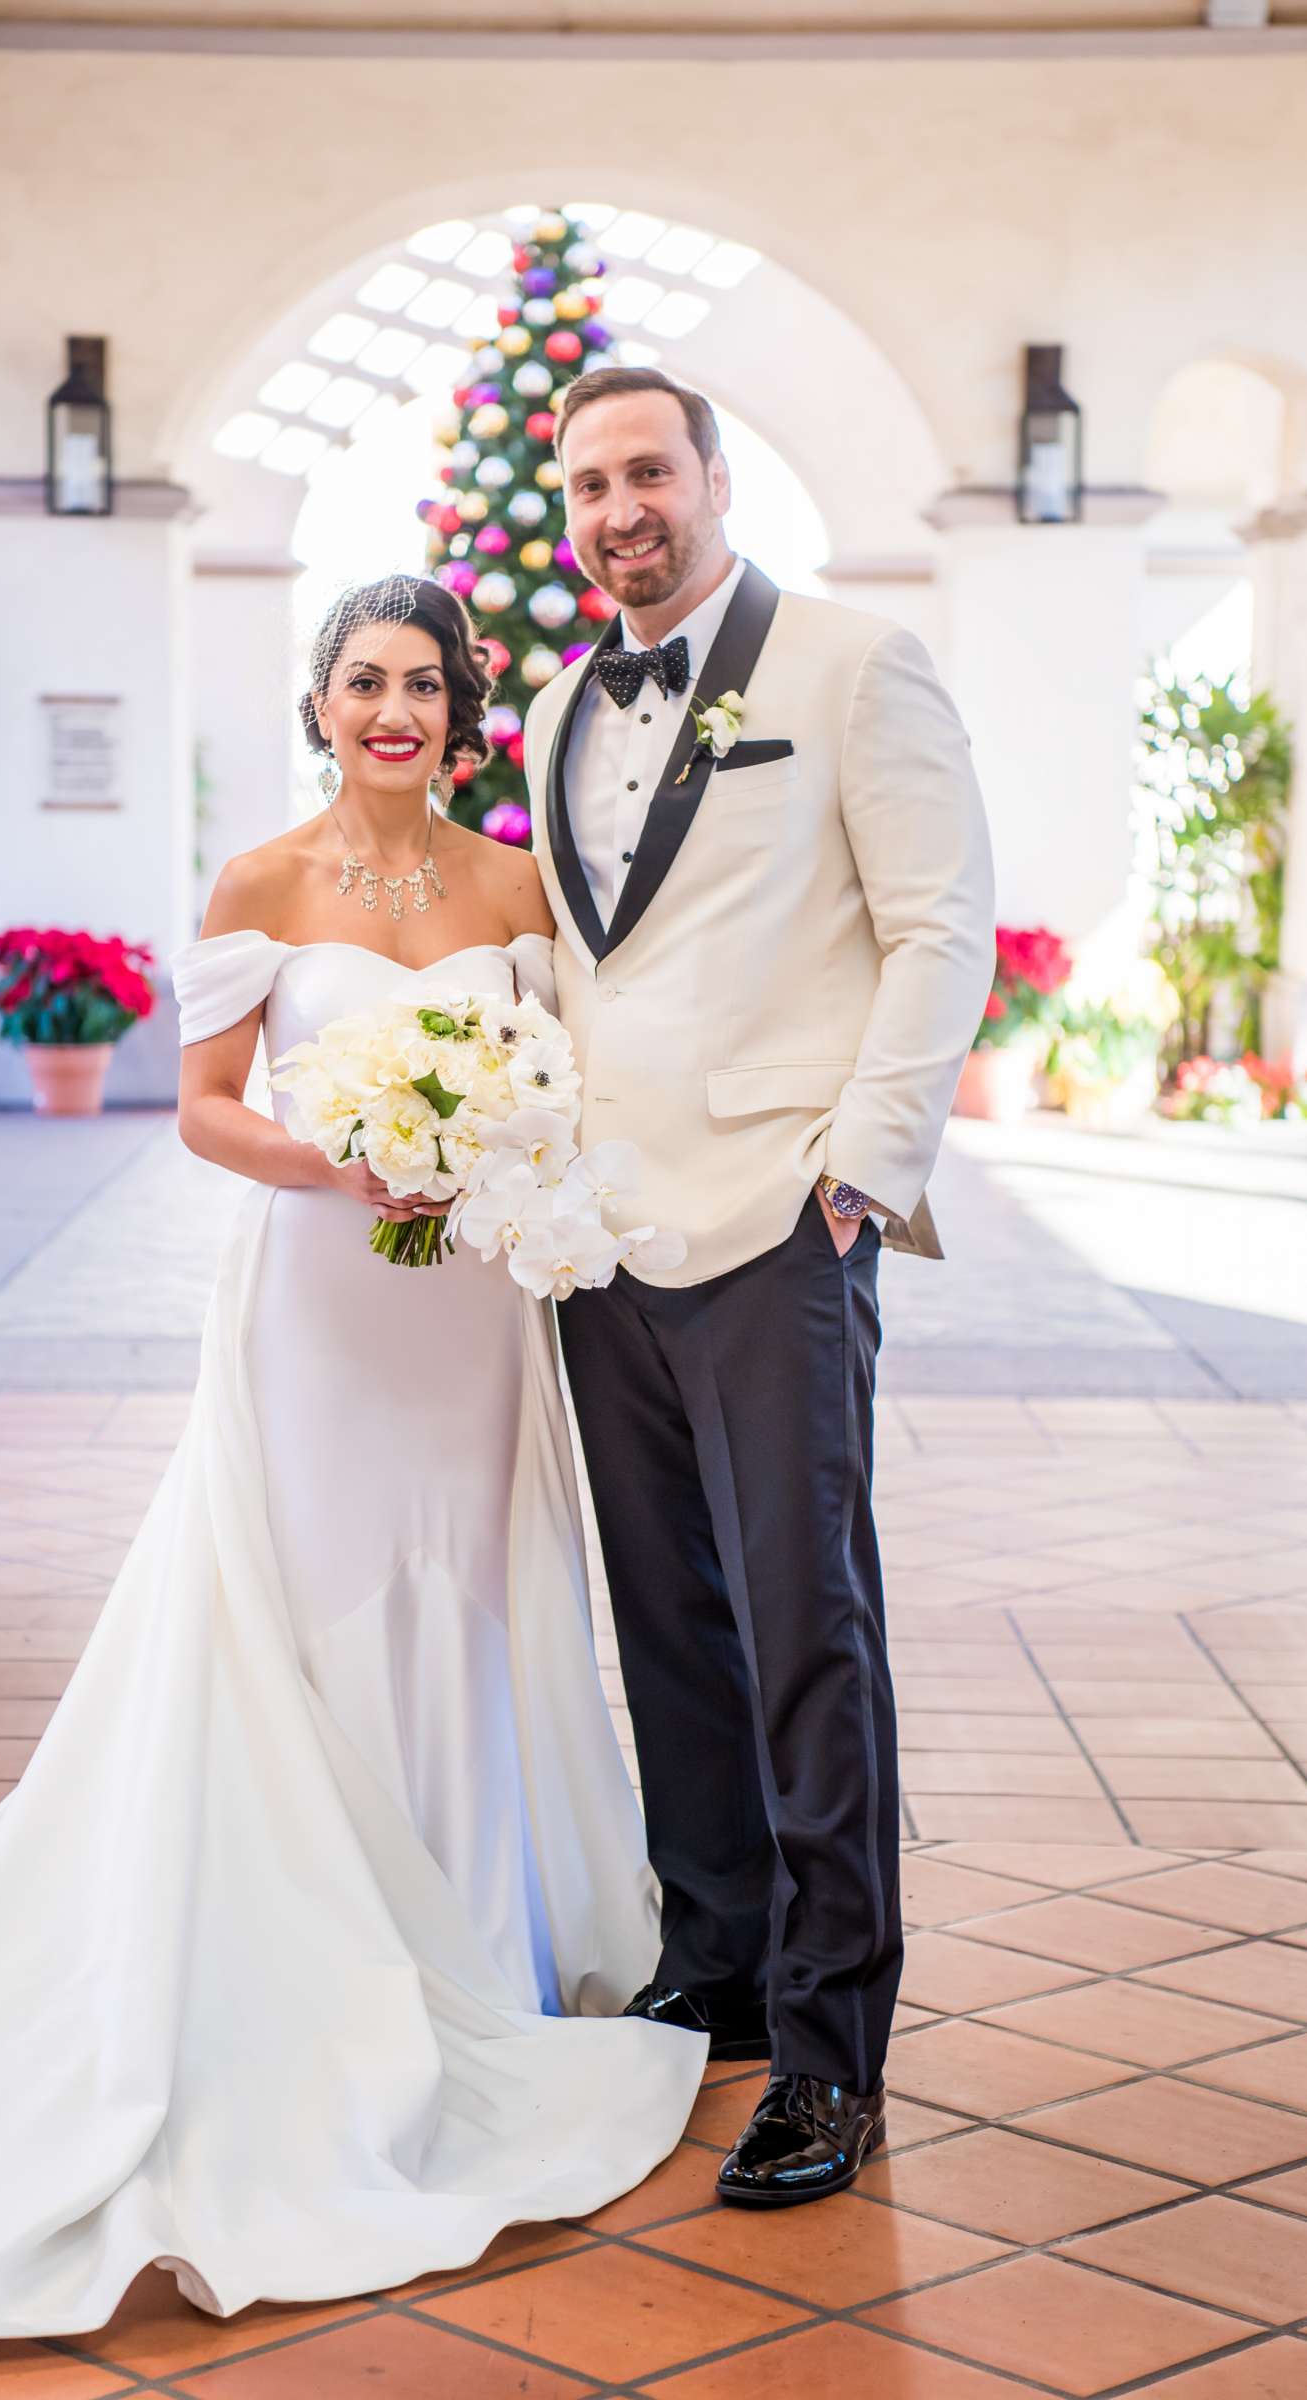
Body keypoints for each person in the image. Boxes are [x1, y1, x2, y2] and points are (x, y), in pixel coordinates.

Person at [0, 574, 705, 2358]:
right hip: (319, 1296)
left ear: (463, 707)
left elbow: (564, 1073)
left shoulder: (507, 883)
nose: (392, 709)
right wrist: (349, 1160)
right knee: (308, 1593)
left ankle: (479, 1937)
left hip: (469, 1310)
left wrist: (489, 1146)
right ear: (318, 704)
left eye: (421, 682)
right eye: (361, 682)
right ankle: (309, 1939)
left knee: (466, 1582)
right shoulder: (260, 883)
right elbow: (205, 1106)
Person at [524, 367, 996, 2208]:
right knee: (669, 1626)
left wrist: (860, 1173)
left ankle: (829, 2048)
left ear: (714, 477)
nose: (618, 506)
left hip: (782, 1224)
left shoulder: (851, 665)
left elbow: (938, 919)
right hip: (601, 1239)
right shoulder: (565, 698)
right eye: (588, 483)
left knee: (810, 1632)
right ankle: (714, 1962)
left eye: (647, 469)